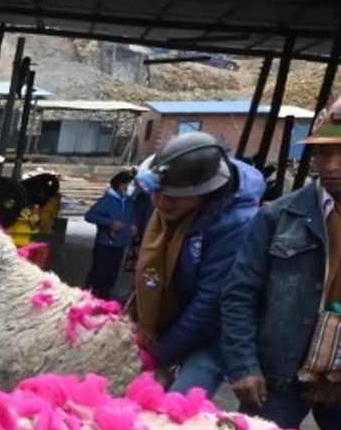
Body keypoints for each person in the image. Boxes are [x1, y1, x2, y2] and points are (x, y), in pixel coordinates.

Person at [223, 96, 341, 430]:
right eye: (323, 152)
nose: (330, 165)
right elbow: (239, 293)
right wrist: (243, 365)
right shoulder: (280, 216)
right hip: (280, 375)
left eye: (340, 153)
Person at [131, 131, 261, 394]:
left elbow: (209, 304)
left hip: (214, 327)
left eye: (174, 196)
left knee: (178, 402)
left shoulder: (237, 224)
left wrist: (159, 355)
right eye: (158, 193)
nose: (160, 202)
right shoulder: (164, 203)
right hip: (170, 310)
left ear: (206, 192)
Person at [82, 169, 137, 300]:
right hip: (105, 244)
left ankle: (104, 297)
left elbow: (131, 216)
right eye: (128, 184)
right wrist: (109, 223)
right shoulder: (107, 201)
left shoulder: (128, 201)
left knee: (112, 274)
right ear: (121, 185)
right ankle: (90, 295)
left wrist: (134, 225)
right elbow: (90, 216)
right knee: (99, 272)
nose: (130, 188)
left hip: (120, 244)